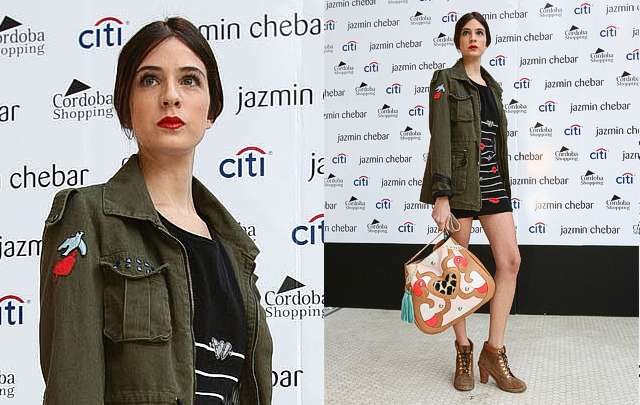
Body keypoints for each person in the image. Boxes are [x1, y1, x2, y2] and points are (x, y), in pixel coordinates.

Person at [39, 17, 272, 405]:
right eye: (149, 80)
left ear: (211, 109)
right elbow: (71, 384)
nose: (170, 96)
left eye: (189, 80)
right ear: (126, 107)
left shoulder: (233, 249)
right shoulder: (88, 219)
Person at [419, 12, 526, 393]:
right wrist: (441, 195)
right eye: (466, 32)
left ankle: (493, 352)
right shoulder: (445, 81)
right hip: (460, 188)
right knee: (456, 273)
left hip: (493, 185)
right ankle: (463, 350)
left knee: (510, 261)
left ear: (487, 40)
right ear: (458, 41)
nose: (473, 38)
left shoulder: (493, 88)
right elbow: (440, 138)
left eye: (479, 32)